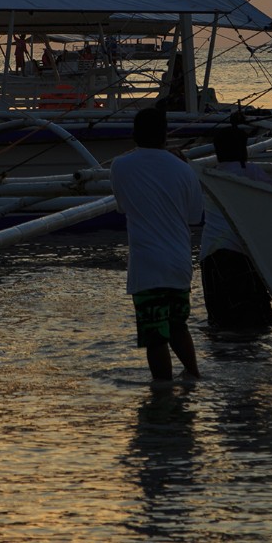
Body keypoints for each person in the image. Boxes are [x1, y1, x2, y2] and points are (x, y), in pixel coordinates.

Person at [110, 105, 204, 383]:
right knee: (178, 326)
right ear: (165, 135)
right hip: (179, 262)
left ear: (134, 135)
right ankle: (193, 376)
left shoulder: (121, 166)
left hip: (147, 264)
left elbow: (123, 207)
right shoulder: (185, 170)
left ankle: (162, 395)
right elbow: (195, 217)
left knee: (155, 336)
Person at [197, 121, 272, 330]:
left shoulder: (210, 174)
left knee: (219, 317)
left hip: (210, 254)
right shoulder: (251, 172)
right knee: (255, 318)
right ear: (243, 150)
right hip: (239, 252)